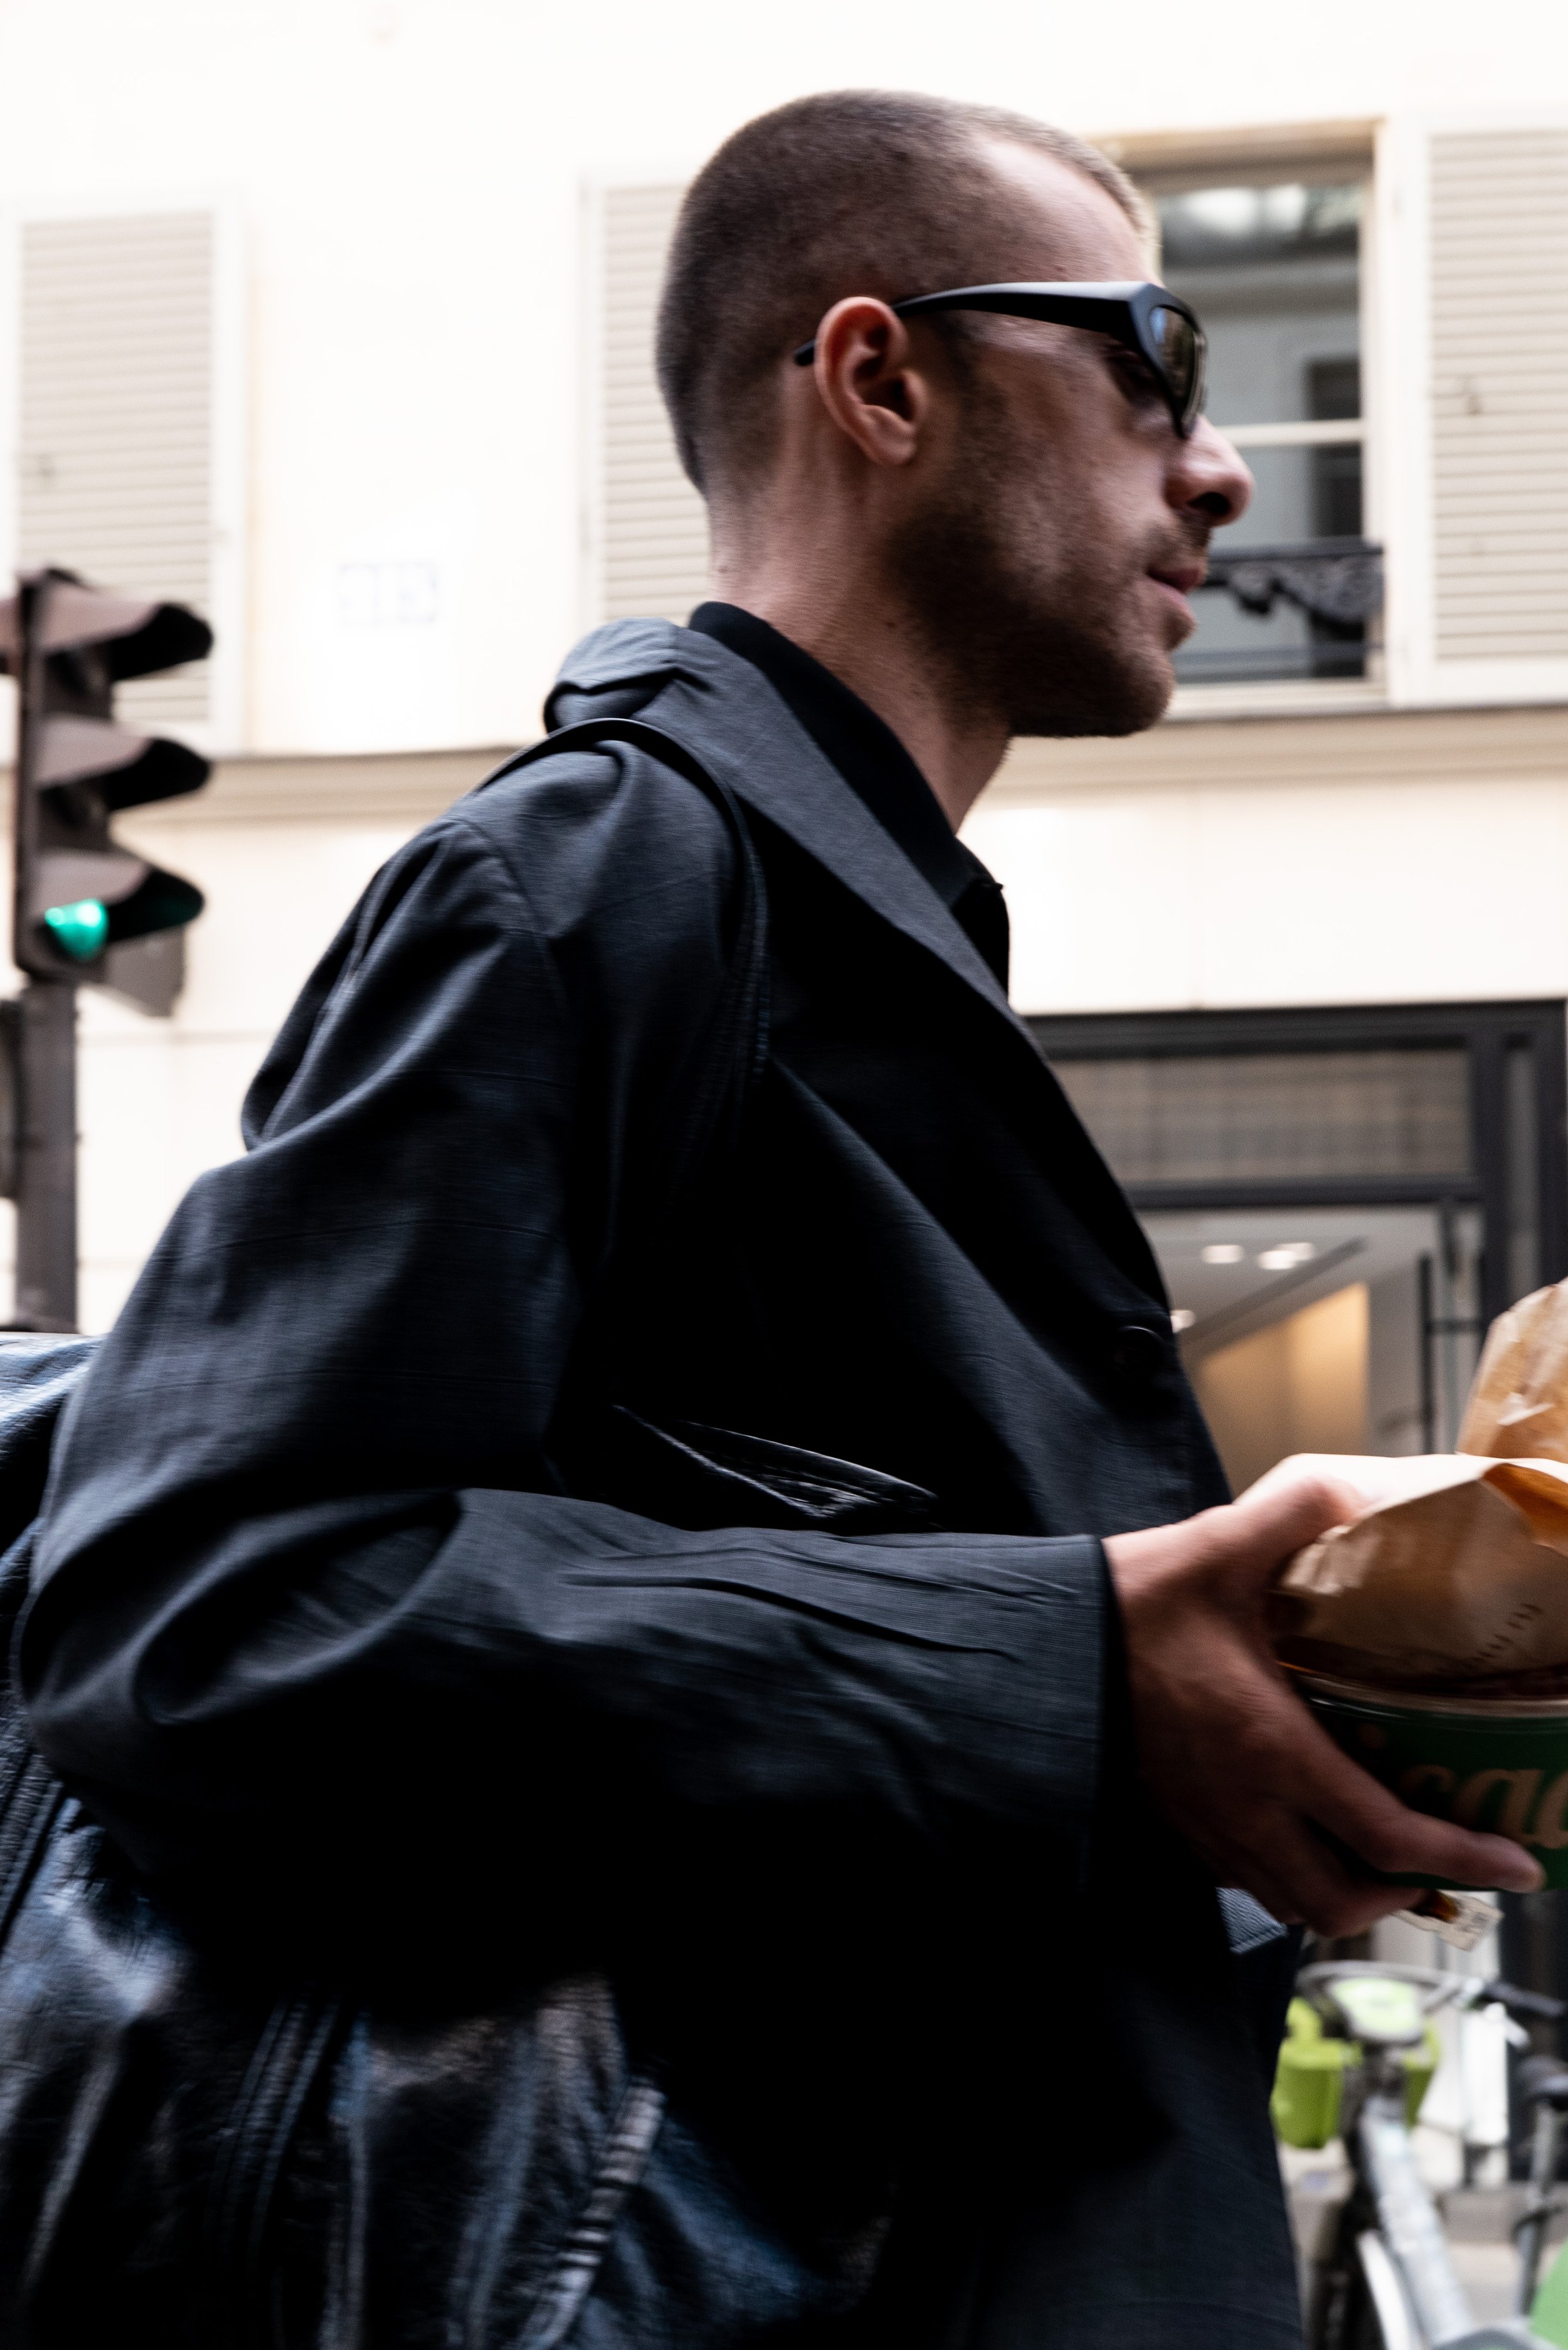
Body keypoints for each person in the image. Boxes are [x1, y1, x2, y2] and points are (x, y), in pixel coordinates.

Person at [16, 88, 1540, 2350]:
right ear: (878, 377)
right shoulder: (592, 878)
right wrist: (1075, 1666)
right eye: (1152, 358)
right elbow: (196, 1599)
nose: (1217, 466)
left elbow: (777, 1731)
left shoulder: (842, 927)